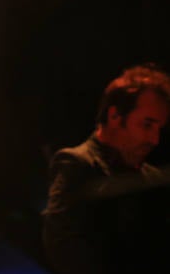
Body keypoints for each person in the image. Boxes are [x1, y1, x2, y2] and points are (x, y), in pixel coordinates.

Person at [42, 63, 170, 274]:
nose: (154, 140)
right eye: (147, 125)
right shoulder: (76, 163)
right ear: (115, 117)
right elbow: (64, 248)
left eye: (158, 129)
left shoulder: (151, 178)